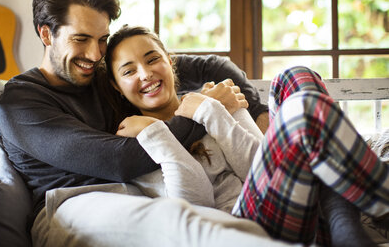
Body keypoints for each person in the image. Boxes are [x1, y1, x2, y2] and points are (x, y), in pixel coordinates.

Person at [0, 0, 285, 246]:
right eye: (81, 39)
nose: (95, 54)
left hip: (145, 192)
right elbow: (117, 160)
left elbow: (211, 66)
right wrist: (204, 112)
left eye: (102, 40)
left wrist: (258, 110)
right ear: (46, 35)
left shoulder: (110, 75)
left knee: (216, 221)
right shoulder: (22, 100)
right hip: (71, 206)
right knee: (180, 223)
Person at [104, 25, 389, 247]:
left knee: (294, 77)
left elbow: (258, 161)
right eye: (129, 71)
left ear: (169, 62)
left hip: (290, 202)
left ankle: (343, 227)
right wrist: (159, 134)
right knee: (303, 109)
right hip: (248, 223)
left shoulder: (209, 101)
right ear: (117, 87)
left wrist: (212, 111)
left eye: (153, 59)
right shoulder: (136, 136)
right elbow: (194, 206)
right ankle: (371, 208)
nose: (145, 73)